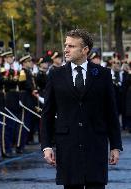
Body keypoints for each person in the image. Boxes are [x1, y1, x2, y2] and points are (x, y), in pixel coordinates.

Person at [41, 29, 123, 189]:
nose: (66, 49)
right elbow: (47, 114)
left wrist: (115, 145)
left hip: (95, 145)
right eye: (66, 45)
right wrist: (47, 146)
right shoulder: (55, 75)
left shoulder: (103, 74)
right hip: (68, 146)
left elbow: (111, 112)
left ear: (85, 49)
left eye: (71, 46)